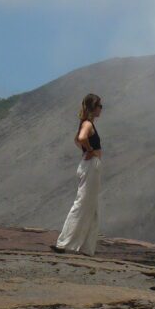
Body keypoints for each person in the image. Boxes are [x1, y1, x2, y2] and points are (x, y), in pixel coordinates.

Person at [52, 93, 104, 255]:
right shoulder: (87, 124)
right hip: (90, 166)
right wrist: (89, 151)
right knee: (82, 203)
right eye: (99, 106)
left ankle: (86, 247)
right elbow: (81, 138)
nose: (101, 109)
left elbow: (77, 140)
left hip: (89, 164)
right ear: (93, 108)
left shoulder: (86, 123)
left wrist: (86, 151)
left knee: (91, 205)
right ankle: (63, 243)